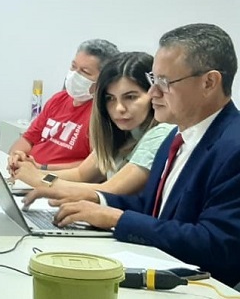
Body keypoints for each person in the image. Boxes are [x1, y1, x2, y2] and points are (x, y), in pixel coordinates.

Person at [38, 24, 240, 286]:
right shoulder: (175, 136)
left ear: (209, 82)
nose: (153, 92)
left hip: (206, 290)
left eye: (164, 82)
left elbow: (217, 243)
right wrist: (98, 202)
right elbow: (151, 208)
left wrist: (117, 219)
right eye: (154, 79)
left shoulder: (233, 146)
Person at [14, 52, 174, 197]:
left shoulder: (161, 133)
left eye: (130, 97)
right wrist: (33, 171)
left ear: (153, 94)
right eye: (110, 98)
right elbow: (80, 175)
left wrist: (38, 179)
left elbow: (109, 190)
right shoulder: (122, 132)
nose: (119, 108)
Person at [8, 39, 119, 172]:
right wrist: (17, 156)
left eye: (85, 72)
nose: (74, 74)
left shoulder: (102, 113)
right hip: (29, 173)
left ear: (104, 79)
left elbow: (94, 166)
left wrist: (41, 169)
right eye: (73, 66)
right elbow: (28, 138)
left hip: (56, 178)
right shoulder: (58, 99)